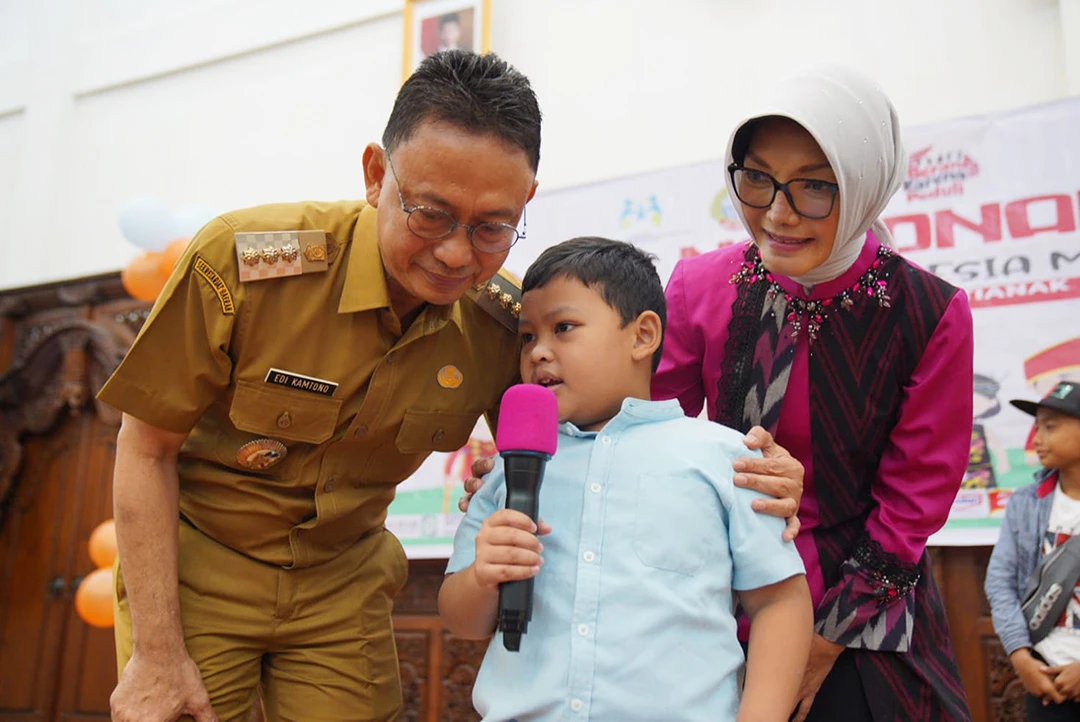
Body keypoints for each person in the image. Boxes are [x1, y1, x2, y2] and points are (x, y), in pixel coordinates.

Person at [97, 50, 803, 722]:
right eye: (429, 214)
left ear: (526, 200)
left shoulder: (504, 324)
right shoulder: (246, 264)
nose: (456, 253)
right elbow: (147, 448)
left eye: (493, 227)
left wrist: (754, 473)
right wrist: (158, 653)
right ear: (377, 175)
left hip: (343, 582)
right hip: (199, 566)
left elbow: (588, 449)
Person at [652, 65, 975, 721]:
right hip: (725, 599)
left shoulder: (927, 312)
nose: (777, 212)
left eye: (814, 188)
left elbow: (912, 502)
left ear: (864, 184)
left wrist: (825, 637)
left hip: (868, 616)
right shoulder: (698, 288)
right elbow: (647, 432)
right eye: (758, 178)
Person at [440, 237, 813, 721]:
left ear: (642, 336)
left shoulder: (723, 457)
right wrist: (482, 576)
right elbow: (461, 619)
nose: (538, 353)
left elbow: (780, 601)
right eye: (528, 337)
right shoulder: (510, 472)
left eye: (564, 328)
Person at [985, 380, 1080, 720]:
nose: (1036, 439)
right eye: (1036, 427)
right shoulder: (1025, 503)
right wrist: (1021, 657)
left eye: (1050, 427)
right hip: (1044, 681)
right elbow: (1000, 582)